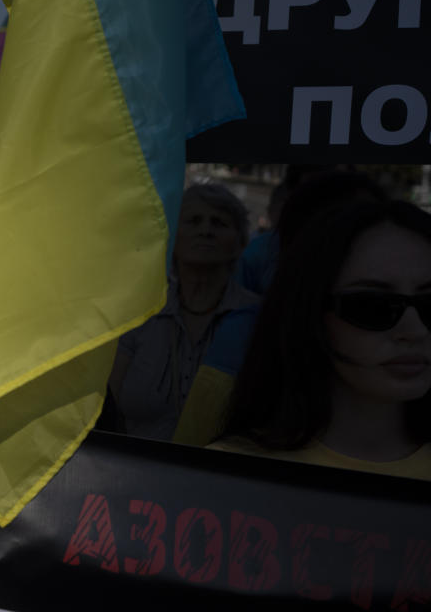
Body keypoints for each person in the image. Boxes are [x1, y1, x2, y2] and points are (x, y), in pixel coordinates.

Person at [211, 200, 431, 480]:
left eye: (430, 304)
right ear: (309, 315)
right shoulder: (228, 476)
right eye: (373, 306)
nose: (415, 331)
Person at [103, 184, 259, 440]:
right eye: (194, 221)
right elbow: (113, 406)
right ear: (172, 236)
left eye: (219, 223)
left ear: (239, 242)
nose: (205, 230)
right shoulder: (140, 311)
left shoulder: (256, 318)